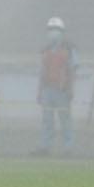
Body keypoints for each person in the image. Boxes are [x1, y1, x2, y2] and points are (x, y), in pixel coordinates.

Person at [36, 17, 77, 156]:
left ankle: (68, 148)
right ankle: (45, 147)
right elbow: (42, 72)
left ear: (62, 32)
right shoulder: (45, 50)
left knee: (65, 120)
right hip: (47, 90)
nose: (53, 32)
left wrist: (71, 89)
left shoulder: (69, 49)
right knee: (47, 120)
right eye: (50, 29)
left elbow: (72, 70)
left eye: (55, 29)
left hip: (62, 90)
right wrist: (39, 92)